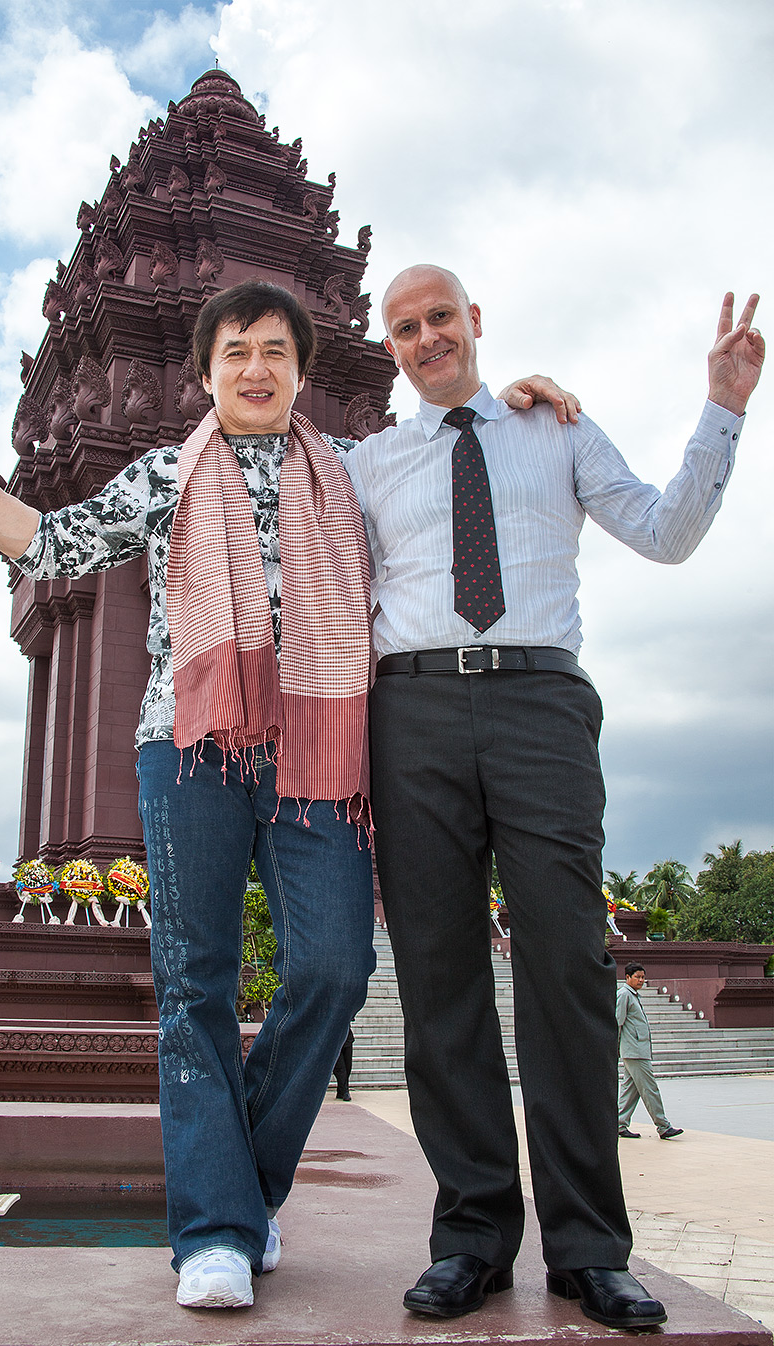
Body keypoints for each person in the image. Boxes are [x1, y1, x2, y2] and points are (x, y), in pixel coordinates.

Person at [0, 280, 555, 1310]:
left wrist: (513, 405)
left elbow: (449, 491)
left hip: (319, 751)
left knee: (337, 966)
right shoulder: (166, 474)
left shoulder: (350, 478)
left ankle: (240, 1188)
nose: (257, 368)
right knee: (194, 988)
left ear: (303, 370)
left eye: (276, 352)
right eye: (237, 352)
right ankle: (213, 1229)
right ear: (207, 374)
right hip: (190, 748)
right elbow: (45, 542)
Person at [348, 264, 761, 1330]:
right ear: (388, 346)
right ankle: (473, 1236)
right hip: (413, 711)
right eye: (405, 327)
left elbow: (667, 532)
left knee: (570, 967)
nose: (427, 336)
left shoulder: (559, 428)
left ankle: (588, 1247)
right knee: (439, 977)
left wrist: (722, 406)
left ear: (474, 321)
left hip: (540, 700)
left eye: (441, 316)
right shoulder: (367, 464)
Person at [618, 963, 683, 1141]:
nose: (641, 980)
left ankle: (619, 1124)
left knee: (630, 1091)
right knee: (650, 1089)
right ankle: (663, 1126)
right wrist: (614, 1049)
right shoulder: (624, 995)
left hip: (637, 1051)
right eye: (637, 977)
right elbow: (617, 1022)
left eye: (643, 977)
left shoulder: (633, 995)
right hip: (635, 1052)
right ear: (628, 977)